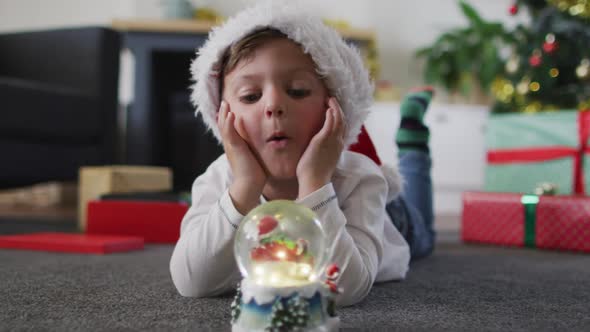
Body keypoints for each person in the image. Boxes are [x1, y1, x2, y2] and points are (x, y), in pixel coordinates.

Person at [170, 1, 435, 306]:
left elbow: (344, 289)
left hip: (389, 221)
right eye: (250, 96)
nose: (273, 105)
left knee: (423, 232)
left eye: (297, 90)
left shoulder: (360, 178)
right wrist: (244, 188)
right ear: (222, 116)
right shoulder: (219, 179)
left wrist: (315, 182)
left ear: (332, 105)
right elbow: (190, 282)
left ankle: (414, 143)